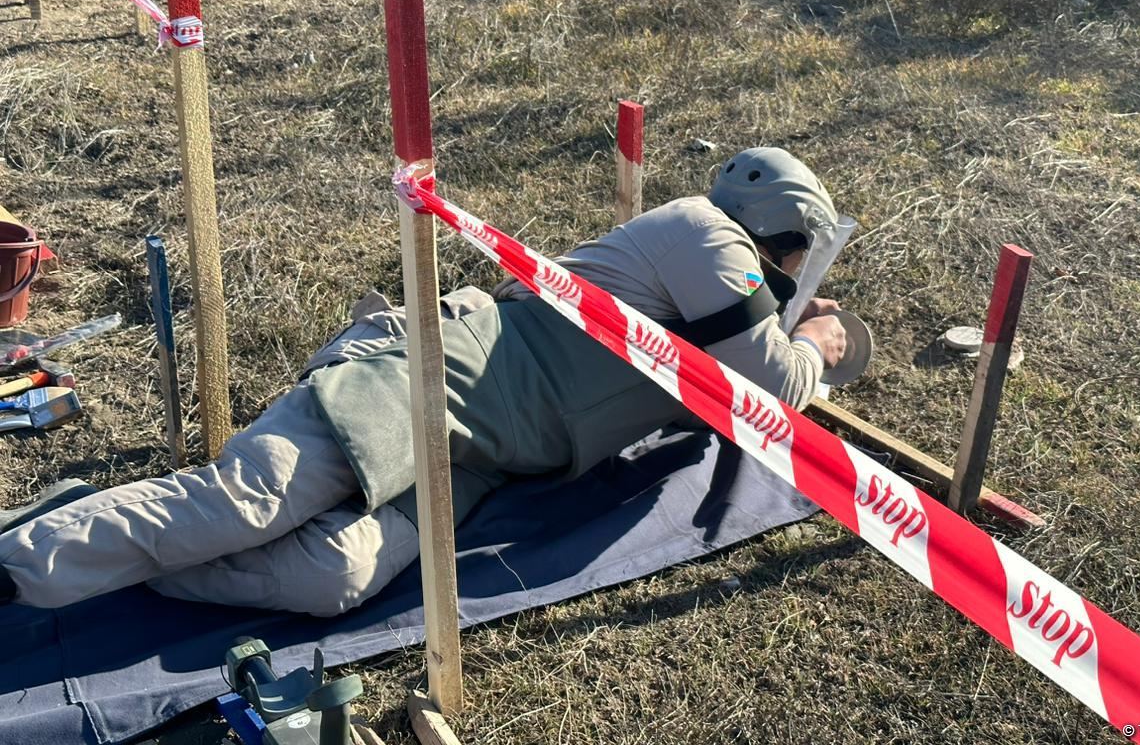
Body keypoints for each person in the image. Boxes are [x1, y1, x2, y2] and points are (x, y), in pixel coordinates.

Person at [0, 148, 849, 616]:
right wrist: (817, 342)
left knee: (331, 579)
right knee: (247, 505)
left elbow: (730, 398)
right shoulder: (706, 232)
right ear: (782, 229)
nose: (790, 275)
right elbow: (772, 387)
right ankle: (20, 567)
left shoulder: (716, 304)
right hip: (420, 386)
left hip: (478, 456)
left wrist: (787, 333)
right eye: (795, 259)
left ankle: (105, 546)